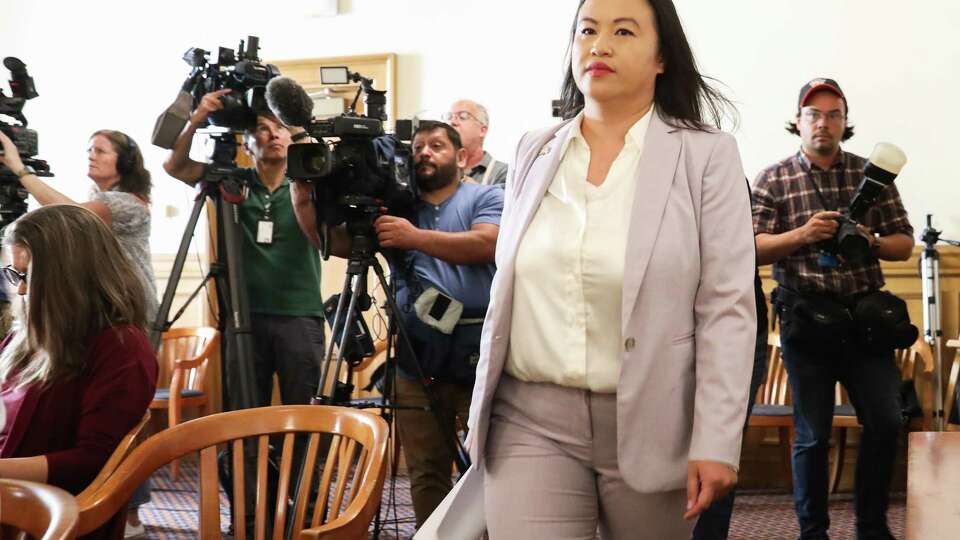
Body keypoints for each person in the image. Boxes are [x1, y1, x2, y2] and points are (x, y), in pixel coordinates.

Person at [466, 0, 757, 537]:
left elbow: (727, 309)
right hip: (529, 416)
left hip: (653, 417)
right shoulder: (535, 149)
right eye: (587, 31)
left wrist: (717, 439)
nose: (599, 45)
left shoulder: (705, 155)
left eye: (623, 31)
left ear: (662, 56)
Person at [752, 78, 914, 540]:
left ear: (845, 122)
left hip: (866, 324)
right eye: (814, 115)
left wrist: (872, 242)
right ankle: (813, 532)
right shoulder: (774, 178)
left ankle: (872, 527)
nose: (823, 123)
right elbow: (751, 246)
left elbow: (904, 243)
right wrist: (803, 235)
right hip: (808, 323)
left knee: (885, 420)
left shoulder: (873, 174)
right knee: (812, 436)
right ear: (798, 122)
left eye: (833, 114)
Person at [0, 127, 158, 537]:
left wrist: (18, 170)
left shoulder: (119, 348)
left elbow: (92, 462)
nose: (18, 289)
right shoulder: (29, 334)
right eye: (12, 273)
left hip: (41, 514)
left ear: (68, 274)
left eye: (29, 275)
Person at [371, 120, 502, 526]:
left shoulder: (487, 195)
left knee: (488, 464)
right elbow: (339, 244)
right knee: (426, 470)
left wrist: (413, 238)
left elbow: (487, 243)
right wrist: (306, 199)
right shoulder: (399, 209)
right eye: (418, 147)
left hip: (479, 349)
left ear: (462, 157)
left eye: (437, 146)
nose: (424, 153)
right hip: (416, 351)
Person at [163, 90, 325, 411]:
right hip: (244, 315)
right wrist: (196, 118)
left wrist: (299, 124)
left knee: (302, 411)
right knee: (244, 412)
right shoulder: (232, 182)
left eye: (280, 127)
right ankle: (246, 464)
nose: (273, 134)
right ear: (247, 144)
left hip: (299, 314)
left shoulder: (307, 186)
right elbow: (175, 166)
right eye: (263, 128)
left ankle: (298, 463)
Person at [0, 129, 159, 323]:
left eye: (100, 151)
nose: (92, 156)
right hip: (109, 299)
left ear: (125, 162)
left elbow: (71, 213)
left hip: (130, 305)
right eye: (90, 150)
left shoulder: (130, 204)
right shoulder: (98, 198)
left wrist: (20, 168)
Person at [443, 99, 508, 186]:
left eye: (463, 116)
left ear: (482, 130)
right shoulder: (438, 170)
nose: (452, 122)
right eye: (449, 117)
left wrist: (475, 191)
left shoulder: (504, 173)